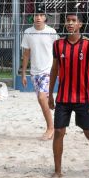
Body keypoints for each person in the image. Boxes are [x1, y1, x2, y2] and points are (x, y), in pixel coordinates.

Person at [47, 12, 89, 177]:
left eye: (74, 21)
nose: (70, 23)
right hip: (63, 97)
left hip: (83, 98)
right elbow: (54, 70)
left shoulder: (88, 44)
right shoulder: (58, 44)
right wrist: (50, 94)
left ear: (80, 24)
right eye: (68, 21)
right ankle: (57, 171)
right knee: (59, 132)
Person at [20, 9, 59, 140]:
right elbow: (26, 54)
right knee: (42, 101)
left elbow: (58, 52)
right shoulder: (28, 32)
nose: (38, 17)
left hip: (48, 71)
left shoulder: (51, 32)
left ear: (45, 18)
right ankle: (56, 127)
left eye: (41, 15)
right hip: (34, 72)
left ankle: (51, 128)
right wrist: (23, 73)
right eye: (36, 15)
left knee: (42, 98)